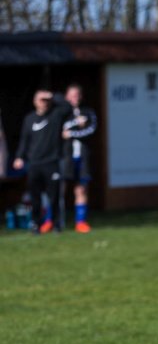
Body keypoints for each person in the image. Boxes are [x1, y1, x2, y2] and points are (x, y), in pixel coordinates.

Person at [13, 90, 72, 234]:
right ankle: (35, 225)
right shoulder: (29, 119)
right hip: (34, 164)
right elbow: (24, 140)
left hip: (51, 162)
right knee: (35, 197)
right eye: (41, 100)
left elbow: (68, 106)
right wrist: (19, 157)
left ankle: (57, 224)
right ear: (34, 102)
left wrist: (52, 96)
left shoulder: (55, 115)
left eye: (46, 101)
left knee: (54, 197)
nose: (44, 103)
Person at [60, 84, 97, 233]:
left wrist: (72, 133)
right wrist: (76, 128)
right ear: (66, 97)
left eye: (77, 95)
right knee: (59, 189)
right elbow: (59, 133)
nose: (75, 98)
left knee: (81, 189)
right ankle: (53, 220)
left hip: (82, 157)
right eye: (72, 95)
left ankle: (80, 222)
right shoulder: (61, 114)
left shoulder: (88, 112)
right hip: (65, 157)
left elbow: (91, 130)